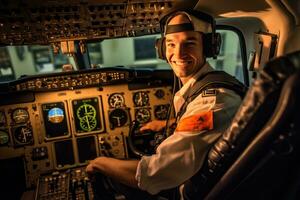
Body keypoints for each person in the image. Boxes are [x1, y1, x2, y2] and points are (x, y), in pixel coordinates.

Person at [86, 9, 243, 200]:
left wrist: (100, 162)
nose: (178, 53)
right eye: (171, 44)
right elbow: (200, 129)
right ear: (162, 49)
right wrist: (167, 124)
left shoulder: (214, 100)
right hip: (204, 180)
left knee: (109, 175)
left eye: (189, 43)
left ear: (208, 47)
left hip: (190, 190)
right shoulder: (208, 85)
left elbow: (155, 173)